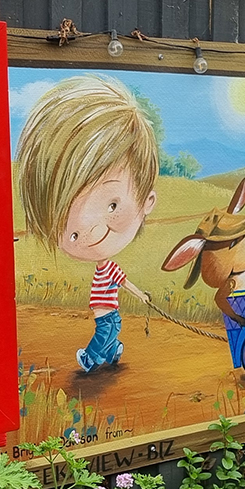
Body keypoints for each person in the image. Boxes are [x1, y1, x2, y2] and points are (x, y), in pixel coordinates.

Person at [16, 74, 158, 371]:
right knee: (106, 328)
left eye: (112, 204)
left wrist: (141, 295)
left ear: (148, 201)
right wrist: (141, 295)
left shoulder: (110, 268)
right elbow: (121, 285)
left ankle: (111, 350)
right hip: (103, 311)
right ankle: (92, 356)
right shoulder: (106, 270)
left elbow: (124, 283)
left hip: (111, 311)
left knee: (113, 328)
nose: (90, 231)